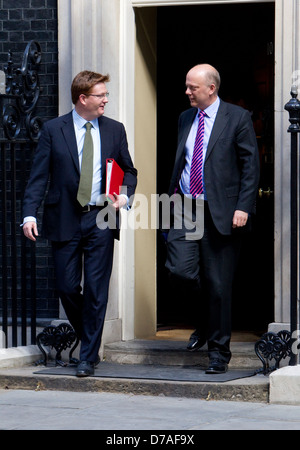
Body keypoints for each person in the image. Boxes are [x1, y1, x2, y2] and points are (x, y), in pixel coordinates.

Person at [22, 71, 137, 377]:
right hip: (65, 217)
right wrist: (29, 214)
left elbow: (129, 170)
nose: (106, 100)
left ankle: (87, 357)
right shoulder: (53, 129)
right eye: (101, 95)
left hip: (101, 215)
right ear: (83, 98)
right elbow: (38, 176)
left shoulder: (114, 129)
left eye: (106, 95)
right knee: (67, 286)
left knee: (97, 290)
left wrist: (124, 197)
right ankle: (90, 335)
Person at [165, 64, 260, 374]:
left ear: (211, 89)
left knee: (219, 286)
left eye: (193, 87)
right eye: (187, 86)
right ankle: (205, 322)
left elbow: (250, 165)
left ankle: (219, 352)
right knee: (179, 271)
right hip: (185, 207)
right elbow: (181, 160)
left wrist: (244, 206)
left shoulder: (237, 117)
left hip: (222, 211)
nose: (187, 92)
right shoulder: (185, 118)